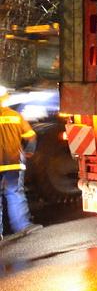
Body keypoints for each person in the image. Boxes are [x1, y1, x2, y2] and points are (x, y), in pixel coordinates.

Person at [0, 85, 42, 241]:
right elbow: (31, 136)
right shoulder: (15, 116)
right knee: (15, 193)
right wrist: (29, 151)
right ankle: (22, 226)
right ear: (4, 99)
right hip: (13, 163)